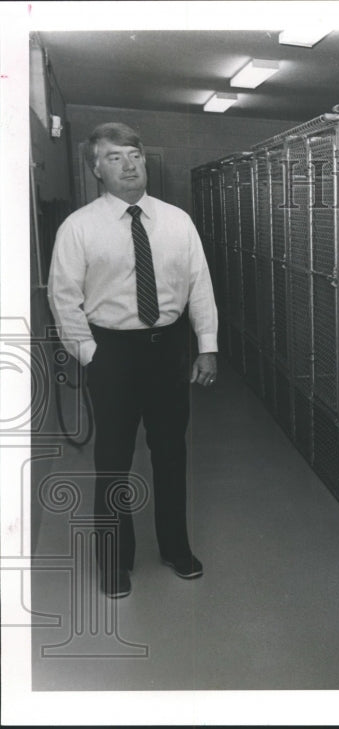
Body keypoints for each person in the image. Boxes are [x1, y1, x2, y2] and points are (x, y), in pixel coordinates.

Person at [48, 122, 218, 599]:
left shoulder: (177, 221)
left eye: (134, 155)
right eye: (115, 157)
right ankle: (114, 561)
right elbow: (65, 299)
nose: (129, 165)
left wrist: (206, 345)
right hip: (112, 353)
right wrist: (91, 356)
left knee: (171, 453)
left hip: (167, 350)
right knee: (113, 461)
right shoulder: (79, 227)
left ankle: (175, 548)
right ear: (96, 168)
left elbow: (199, 285)